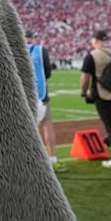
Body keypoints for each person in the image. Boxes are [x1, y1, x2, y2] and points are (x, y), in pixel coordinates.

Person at [79, 30, 111, 168]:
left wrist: (83, 92)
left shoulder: (91, 56)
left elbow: (85, 78)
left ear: (95, 40)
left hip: (102, 94)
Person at [25, 31, 65, 172]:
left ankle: (29, 160)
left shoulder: (13, 49)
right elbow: (47, 72)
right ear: (32, 38)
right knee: (47, 125)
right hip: (41, 93)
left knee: (26, 128)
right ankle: (52, 157)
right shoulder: (41, 50)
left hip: (23, 94)